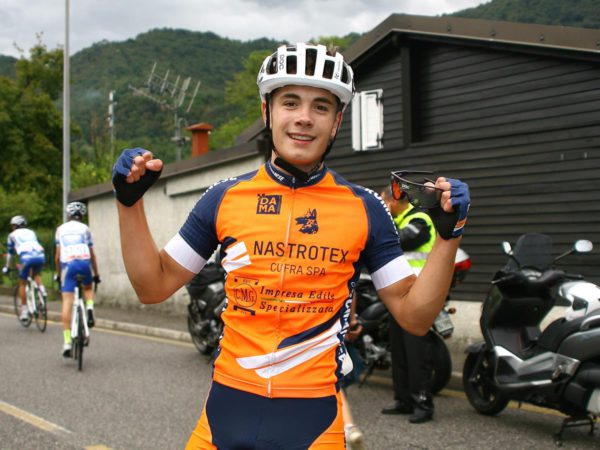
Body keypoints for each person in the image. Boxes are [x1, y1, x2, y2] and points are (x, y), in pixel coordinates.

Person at [111, 42, 470, 449]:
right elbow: (153, 285)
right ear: (267, 111)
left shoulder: (366, 208)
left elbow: (414, 317)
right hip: (225, 416)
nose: (304, 117)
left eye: (321, 107)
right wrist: (129, 204)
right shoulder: (224, 198)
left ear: (336, 122)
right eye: (290, 102)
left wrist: (448, 238)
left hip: (314, 424)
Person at [380, 187, 437, 423]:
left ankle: (423, 403)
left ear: (394, 201)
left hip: (418, 295)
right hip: (399, 295)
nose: (383, 206)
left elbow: (404, 240)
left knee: (416, 352)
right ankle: (403, 400)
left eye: (384, 202)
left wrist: (382, 227)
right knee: (399, 350)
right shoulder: (400, 220)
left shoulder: (419, 218)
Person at [54, 201, 101, 357]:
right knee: (87, 287)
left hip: (68, 265)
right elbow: (92, 255)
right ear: (82, 215)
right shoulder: (85, 229)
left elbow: (57, 256)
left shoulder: (60, 229)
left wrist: (58, 274)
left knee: (67, 301)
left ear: (69, 215)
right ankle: (89, 307)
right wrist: (96, 274)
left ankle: (67, 342)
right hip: (84, 263)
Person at [2, 215, 47, 323]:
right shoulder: (31, 232)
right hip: (40, 256)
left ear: (15, 226)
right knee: (35, 274)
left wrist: (7, 267)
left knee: (22, 283)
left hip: (26, 258)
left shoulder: (12, 235)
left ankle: (24, 311)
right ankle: (42, 291)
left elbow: (10, 254)